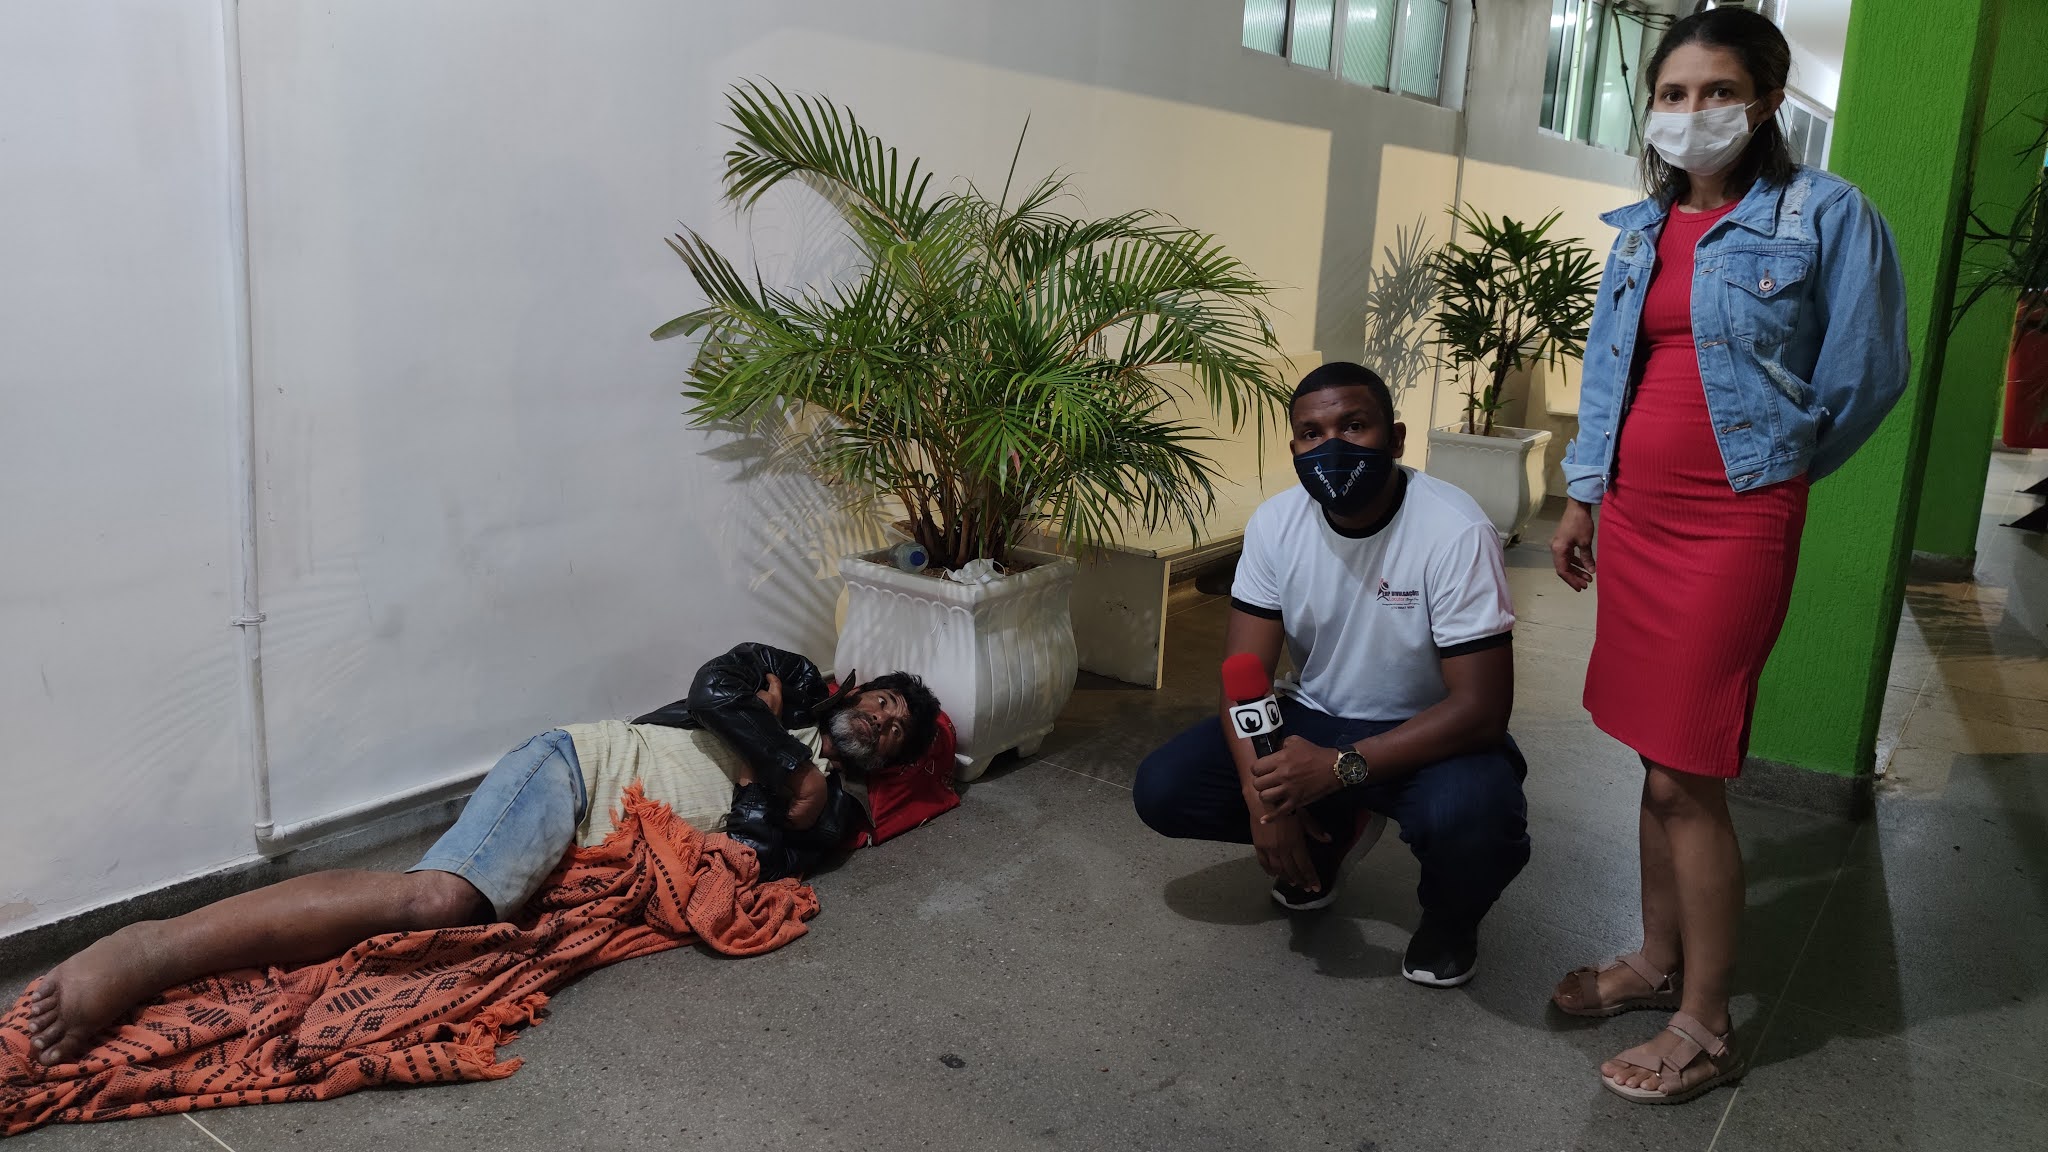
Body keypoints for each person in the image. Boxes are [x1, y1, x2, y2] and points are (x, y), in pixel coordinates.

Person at [1547, 6, 1908, 1105]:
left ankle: (1704, 1023)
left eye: (1716, 92)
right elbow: (1609, 372)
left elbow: (1867, 371)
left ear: (1764, 101)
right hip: (1636, 512)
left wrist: (1775, 469)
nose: (1691, 111)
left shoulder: (1825, 212)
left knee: (1684, 770)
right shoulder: (1641, 229)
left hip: (1733, 520)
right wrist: (1583, 496)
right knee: (1652, 755)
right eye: (1672, 93)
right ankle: (1656, 960)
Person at [22, 643, 940, 1068]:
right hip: (575, 770)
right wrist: (782, 756)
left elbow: (753, 855)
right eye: (882, 701)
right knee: (437, 904)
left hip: (595, 846)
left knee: (450, 944)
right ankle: (148, 947)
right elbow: (713, 686)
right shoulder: (791, 679)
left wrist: (770, 775)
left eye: (896, 730)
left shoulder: (834, 816)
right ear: (854, 689)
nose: (880, 721)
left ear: (889, 763)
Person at [1133, 361, 1530, 989]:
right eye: (1312, 434)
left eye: (1354, 426)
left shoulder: (1455, 531)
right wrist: (1265, 804)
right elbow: (1243, 677)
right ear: (1294, 447)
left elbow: (1480, 710)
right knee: (1167, 787)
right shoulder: (1276, 524)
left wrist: (1339, 767)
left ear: (1395, 440)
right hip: (1312, 715)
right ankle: (1332, 833)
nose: (1332, 447)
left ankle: (1451, 920)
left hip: (1428, 734)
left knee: (1474, 817)